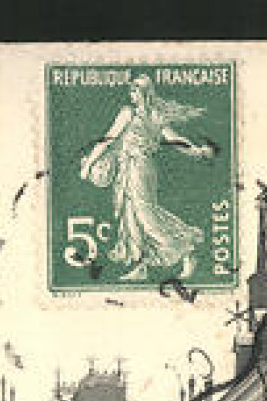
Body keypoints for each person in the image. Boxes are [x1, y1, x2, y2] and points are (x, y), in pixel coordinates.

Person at [79, 73, 216, 282]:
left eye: (135, 91)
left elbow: (174, 139)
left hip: (141, 168)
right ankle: (141, 265)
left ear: (145, 93)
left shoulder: (149, 116)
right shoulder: (133, 113)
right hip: (128, 168)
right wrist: (89, 163)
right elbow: (108, 139)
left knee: (145, 216)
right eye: (131, 91)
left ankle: (186, 251)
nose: (132, 95)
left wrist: (196, 150)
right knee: (131, 217)